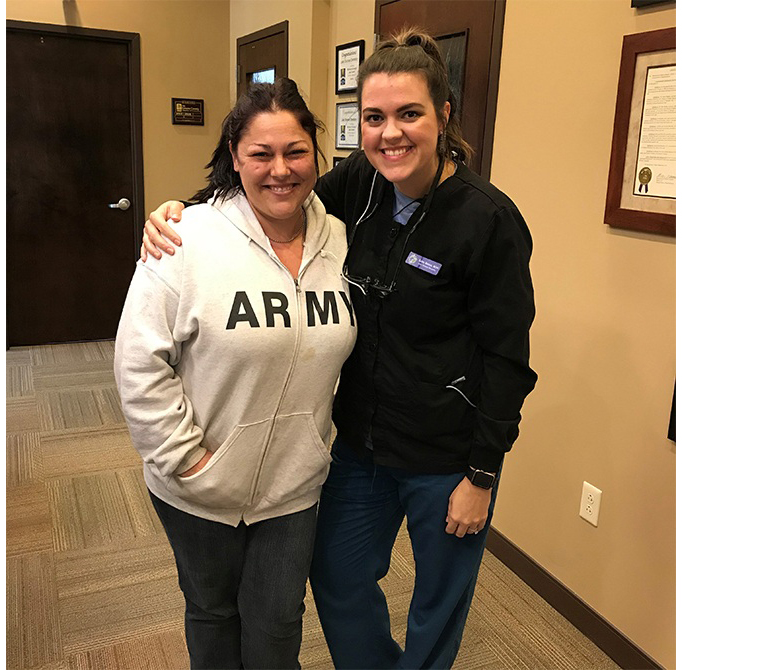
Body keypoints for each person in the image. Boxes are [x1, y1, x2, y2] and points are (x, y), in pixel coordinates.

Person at [143, 29, 536, 669]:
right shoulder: (360, 185)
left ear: (444, 114)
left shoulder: (486, 220)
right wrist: (180, 213)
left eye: (409, 113)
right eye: (374, 117)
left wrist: (482, 474)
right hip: (360, 446)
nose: (391, 133)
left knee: (438, 601)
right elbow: (270, 190)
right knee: (336, 579)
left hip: (447, 455)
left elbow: (507, 359)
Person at [113, 78, 356, 670]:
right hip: (195, 484)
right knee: (213, 614)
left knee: (277, 625)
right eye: (261, 154)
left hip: (293, 486)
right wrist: (187, 458)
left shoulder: (343, 240)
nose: (281, 170)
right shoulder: (185, 239)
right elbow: (139, 362)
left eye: (295, 152)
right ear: (233, 157)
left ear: (316, 155)